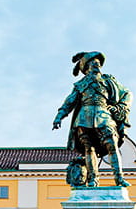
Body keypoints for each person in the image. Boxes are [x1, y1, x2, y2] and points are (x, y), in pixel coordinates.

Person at [52, 51, 131, 187]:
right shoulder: (80, 85)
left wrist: (119, 107)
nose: (97, 65)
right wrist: (59, 116)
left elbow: (127, 93)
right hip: (84, 117)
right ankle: (94, 179)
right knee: (89, 148)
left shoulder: (109, 81)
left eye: (98, 63)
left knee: (112, 143)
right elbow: (69, 102)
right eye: (93, 63)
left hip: (104, 115)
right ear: (86, 66)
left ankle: (119, 178)